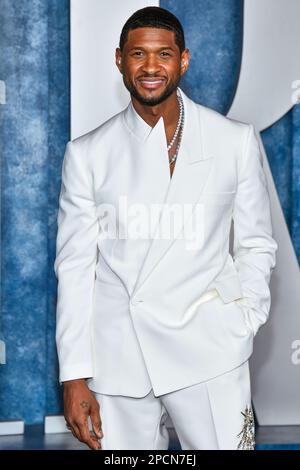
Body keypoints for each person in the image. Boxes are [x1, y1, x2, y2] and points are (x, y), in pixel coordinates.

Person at [54, 6, 278, 450]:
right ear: (120, 60)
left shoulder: (233, 140)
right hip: (120, 359)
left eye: (164, 54)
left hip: (211, 348)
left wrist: (243, 321)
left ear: (184, 59)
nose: (151, 66)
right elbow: (75, 268)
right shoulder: (88, 154)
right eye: (139, 54)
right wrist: (74, 374)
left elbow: (256, 243)